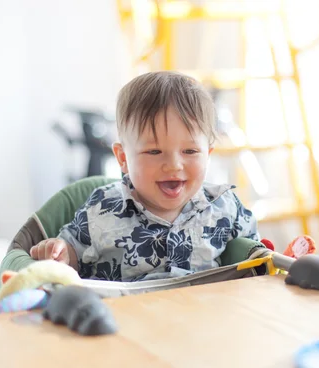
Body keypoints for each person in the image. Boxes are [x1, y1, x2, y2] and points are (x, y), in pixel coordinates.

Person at [30, 71, 285, 281]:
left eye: (190, 151)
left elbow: (252, 252)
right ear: (122, 158)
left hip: (203, 324)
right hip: (125, 325)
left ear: (208, 153)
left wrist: (269, 258)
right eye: (154, 151)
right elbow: (73, 251)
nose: (173, 165)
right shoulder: (102, 207)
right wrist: (61, 254)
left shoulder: (225, 206)